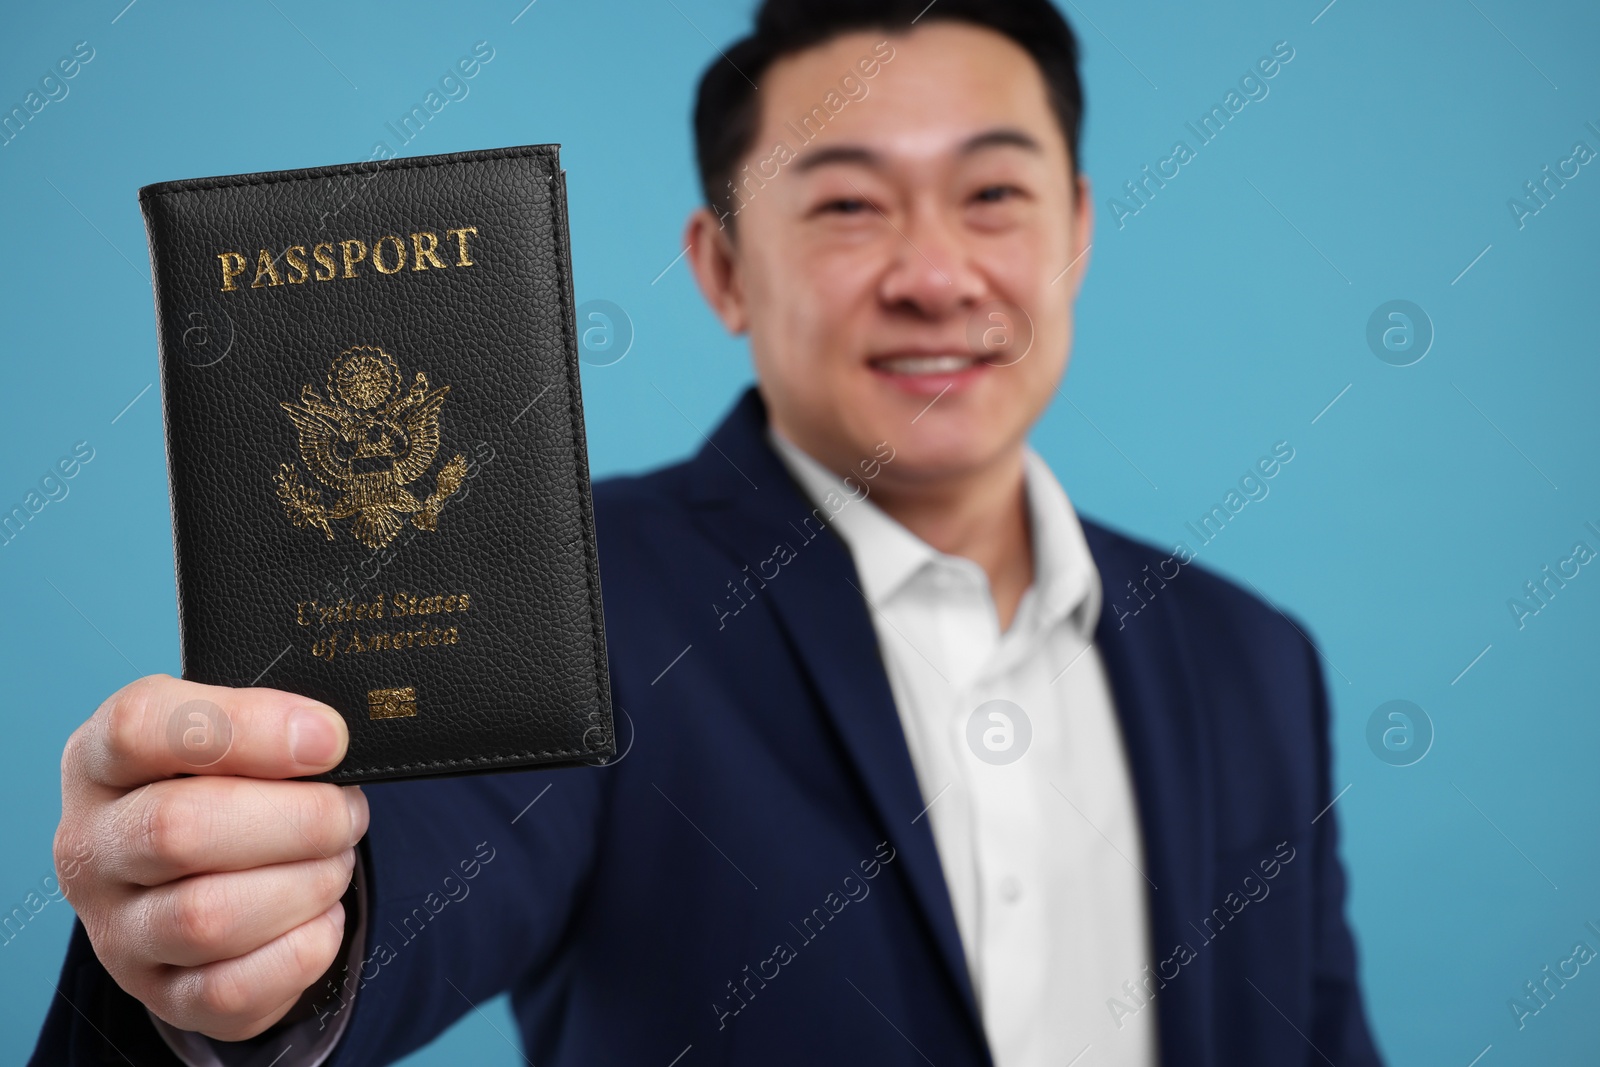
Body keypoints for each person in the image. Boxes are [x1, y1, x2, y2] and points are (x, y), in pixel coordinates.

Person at [33, 0, 1384, 1063]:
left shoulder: (1253, 659)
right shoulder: (583, 597)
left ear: (1077, 233)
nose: (933, 275)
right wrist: (228, 958)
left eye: (994, 196)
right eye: (848, 203)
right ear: (723, 269)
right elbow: (411, 881)